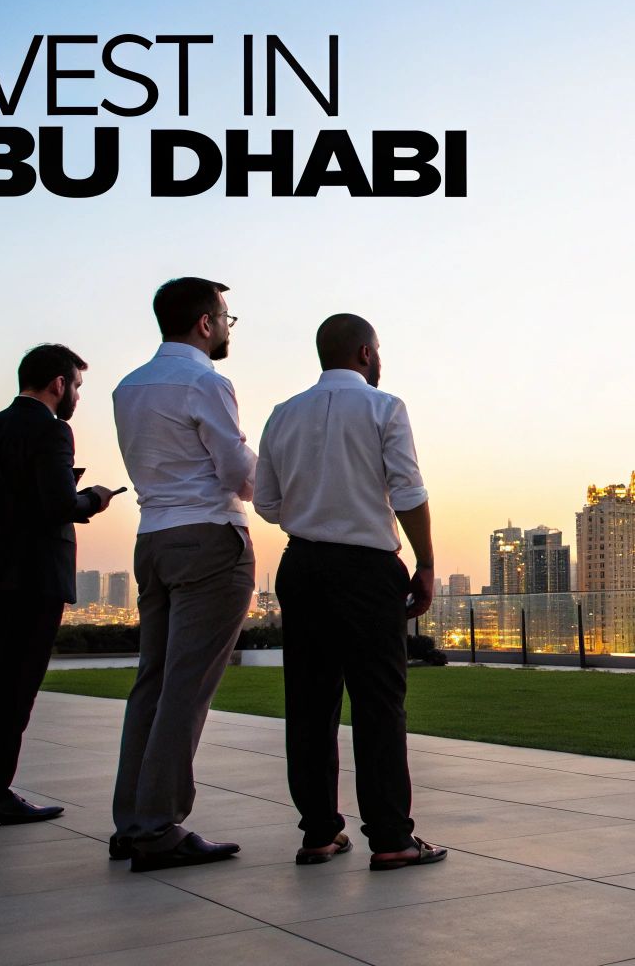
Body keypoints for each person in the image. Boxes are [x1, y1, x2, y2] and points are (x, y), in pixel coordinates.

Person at [254, 313, 445, 870]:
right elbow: (408, 492)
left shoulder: (282, 414)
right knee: (378, 703)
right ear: (365, 353)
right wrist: (426, 562)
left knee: (309, 704)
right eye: (378, 350)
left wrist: (314, 508)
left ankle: (319, 833)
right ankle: (390, 838)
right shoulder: (385, 408)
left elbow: (266, 503)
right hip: (367, 569)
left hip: (303, 565)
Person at [109, 277, 258, 873]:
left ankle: (132, 821)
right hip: (209, 539)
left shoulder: (128, 387)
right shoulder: (206, 382)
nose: (227, 327)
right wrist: (278, 481)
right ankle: (158, 826)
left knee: (153, 682)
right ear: (205, 322)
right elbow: (235, 471)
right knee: (186, 688)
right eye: (226, 317)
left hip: (153, 540)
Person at [0, 344, 118, 827]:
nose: (76, 395)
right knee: (16, 688)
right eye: (76, 385)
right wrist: (93, 497)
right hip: (33, 575)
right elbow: (59, 505)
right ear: (59, 384)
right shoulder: (53, 430)